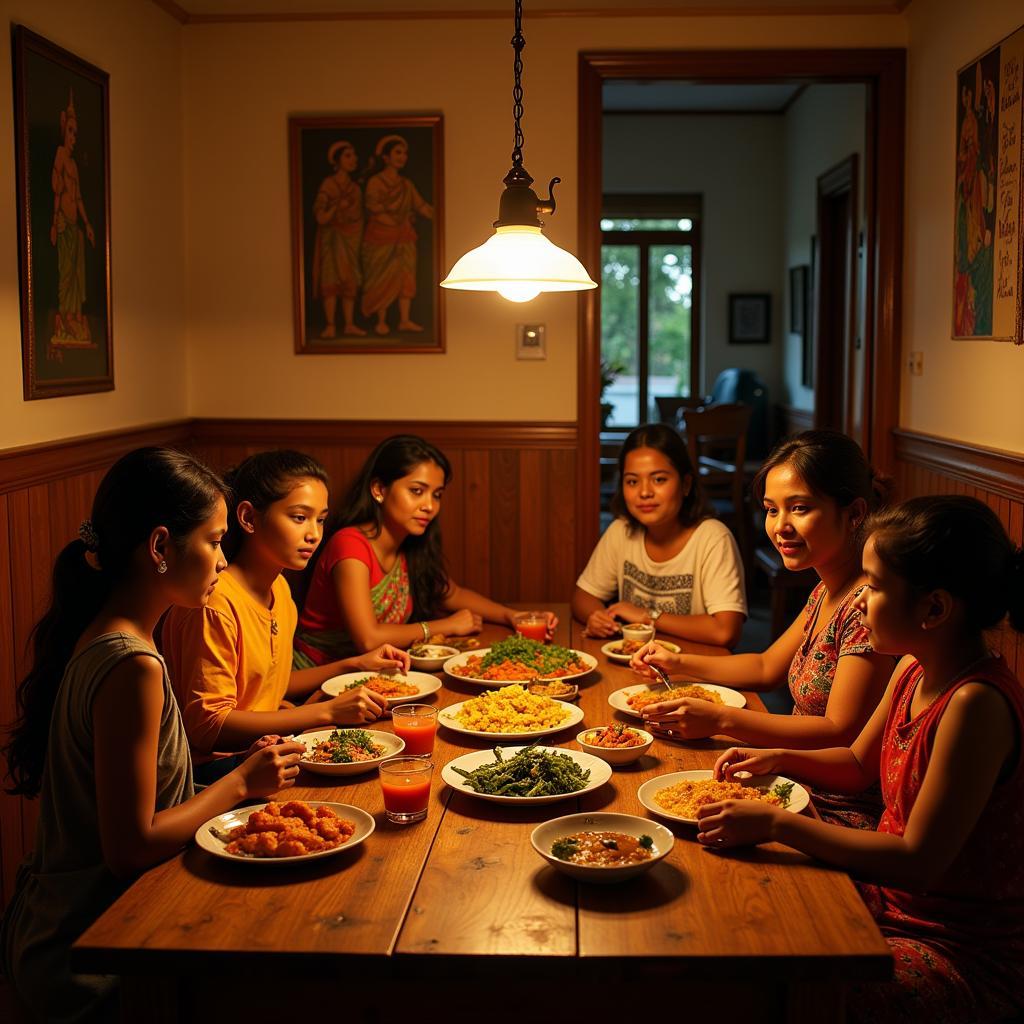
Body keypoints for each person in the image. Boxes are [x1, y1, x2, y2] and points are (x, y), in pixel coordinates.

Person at [1, 447, 305, 1021]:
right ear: (161, 547)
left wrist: (236, 766)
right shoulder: (132, 666)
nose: (222, 559)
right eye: (215, 541)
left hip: (106, 918)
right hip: (89, 949)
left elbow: (155, 791)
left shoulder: (111, 636)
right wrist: (240, 782)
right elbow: (130, 847)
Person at [699, 496, 1024, 1023]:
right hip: (888, 898)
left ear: (934, 608)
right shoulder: (912, 670)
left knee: (775, 983)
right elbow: (855, 763)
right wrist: (775, 757)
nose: (860, 600)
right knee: (735, 911)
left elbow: (919, 862)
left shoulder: (975, 704)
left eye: (872, 587)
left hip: (955, 946)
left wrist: (781, 823)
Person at [632, 430, 893, 829]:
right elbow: (766, 666)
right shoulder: (826, 588)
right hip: (792, 780)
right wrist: (677, 661)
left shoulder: (867, 608)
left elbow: (838, 732)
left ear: (854, 512)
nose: (780, 526)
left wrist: (721, 720)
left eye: (800, 508)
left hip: (835, 808)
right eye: (772, 510)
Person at [160, 450, 408, 777]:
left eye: (320, 519)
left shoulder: (279, 589)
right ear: (248, 518)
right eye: (298, 517)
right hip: (217, 772)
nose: (314, 534)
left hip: (268, 753)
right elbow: (209, 726)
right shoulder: (214, 602)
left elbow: (270, 684)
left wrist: (354, 665)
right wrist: (326, 711)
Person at [294, 435, 557, 665]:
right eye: (417, 491)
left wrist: (512, 616)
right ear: (379, 490)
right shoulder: (349, 544)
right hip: (315, 680)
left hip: (375, 675)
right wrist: (447, 625)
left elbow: (452, 594)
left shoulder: (409, 544)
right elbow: (368, 639)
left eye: (437, 494)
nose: (429, 505)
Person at [572, 423, 747, 648]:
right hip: (635, 662)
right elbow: (582, 597)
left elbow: (726, 631)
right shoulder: (621, 531)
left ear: (685, 484)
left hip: (695, 668)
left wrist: (647, 616)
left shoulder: (713, 538)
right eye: (632, 481)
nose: (645, 492)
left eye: (659, 479)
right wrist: (597, 617)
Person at [360, 135, 433, 335]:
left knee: (405, 277)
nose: (402, 157)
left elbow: (421, 206)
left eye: (405, 153)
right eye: (397, 152)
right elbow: (372, 206)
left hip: (404, 237)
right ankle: (381, 321)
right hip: (380, 237)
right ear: (385, 157)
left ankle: (405, 319)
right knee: (381, 278)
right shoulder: (376, 182)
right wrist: (393, 221)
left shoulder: (406, 184)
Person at [50, 89, 95, 345]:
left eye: (76, 134)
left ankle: (76, 316)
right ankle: (66, 317)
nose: (73, 138)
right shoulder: (59, 156)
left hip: (75, 226)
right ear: (63, 129)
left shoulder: (75, 166)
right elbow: (58, 192)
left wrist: (87, 224)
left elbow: (78, 199)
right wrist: (54, 223)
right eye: (70, 131)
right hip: (64, 225)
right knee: (66, 274)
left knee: (77, 275)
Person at [312, 140, 365, 338]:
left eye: (354, 156)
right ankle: (331, 324)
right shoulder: (329, 185)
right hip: (332, 242)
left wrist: (348, 214)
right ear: (337, 160)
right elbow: (320, 216)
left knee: (349, 279)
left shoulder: (355, 189)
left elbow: (358, 218)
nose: (353, 160)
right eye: (348, 156)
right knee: (331, 278)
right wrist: (336, 207)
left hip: (350, 240)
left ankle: (349, 323)